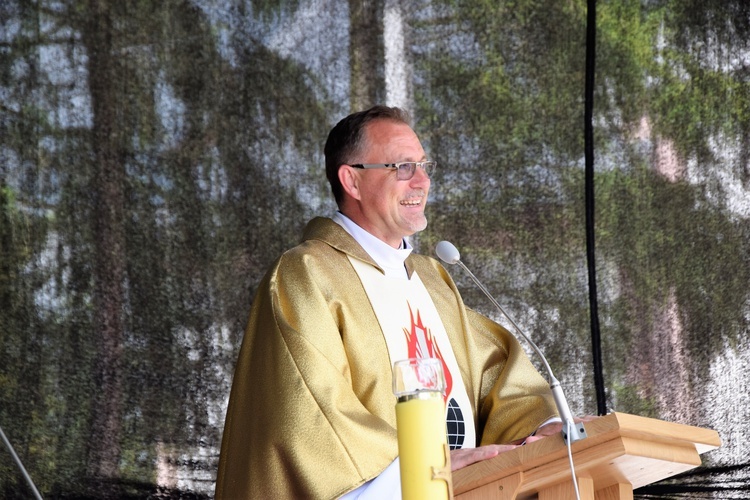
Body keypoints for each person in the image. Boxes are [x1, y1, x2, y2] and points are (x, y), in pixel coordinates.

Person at [215, 105, 565, 499]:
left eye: (423, 165)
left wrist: (543, 425)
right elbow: (307, 415)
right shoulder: (308, 273)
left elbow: (495, 377)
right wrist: (417, 472)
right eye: (402, 167)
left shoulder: (433, 278)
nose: (422, 182)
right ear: (352, 179)